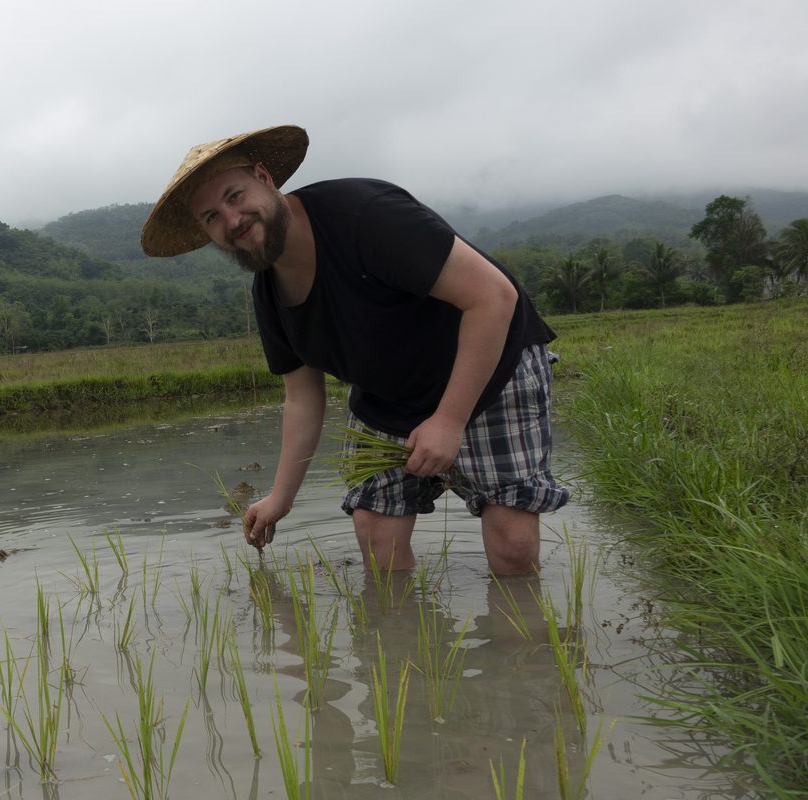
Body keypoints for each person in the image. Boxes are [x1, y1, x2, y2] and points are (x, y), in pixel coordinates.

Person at [141, 125, 568, 575]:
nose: (232, 220)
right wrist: (281, 499)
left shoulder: (365, 216)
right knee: (377, 547)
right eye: (211, 217)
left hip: (489, 371)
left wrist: (449, 419)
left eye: (234, 196)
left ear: (264, 179)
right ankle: (402, 640)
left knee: (513, 550)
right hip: (387, 399)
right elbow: (303, 398)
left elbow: (494, 297)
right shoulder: (269, 294)